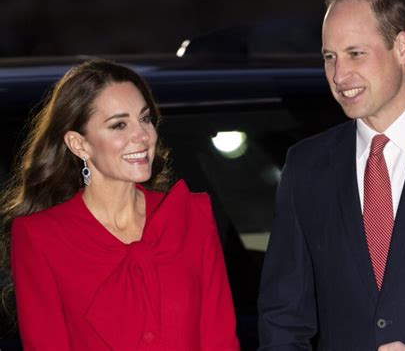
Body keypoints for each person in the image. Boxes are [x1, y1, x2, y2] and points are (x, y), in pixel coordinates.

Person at [258, 0, 405, 350]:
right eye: (330, 57)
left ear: (401, 48)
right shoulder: (307, 166)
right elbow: (283, 317)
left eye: (355, 53)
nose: (339, 76)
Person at [0, 59, 240, 350]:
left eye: (145, 118)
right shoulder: (39, 237)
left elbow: (221, 340)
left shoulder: (189, 215)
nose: (142, 136)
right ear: (79, 144)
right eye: (119, 125)